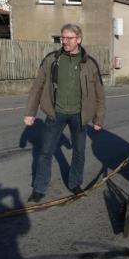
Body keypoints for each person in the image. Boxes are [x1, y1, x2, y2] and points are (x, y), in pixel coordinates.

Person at [23, 24, 106, 203]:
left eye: (69, 38)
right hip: (56, 113)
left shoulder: (89, 63)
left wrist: (98, 118)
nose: (65, 41)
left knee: (79, 152)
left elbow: (100, 92)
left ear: (79, 40)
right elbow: (37, 87)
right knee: (45, 151)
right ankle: (39, 188)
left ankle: (75, 183)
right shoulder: (51, 60)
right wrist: (31, 112)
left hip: (80, 115)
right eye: (63, 38)